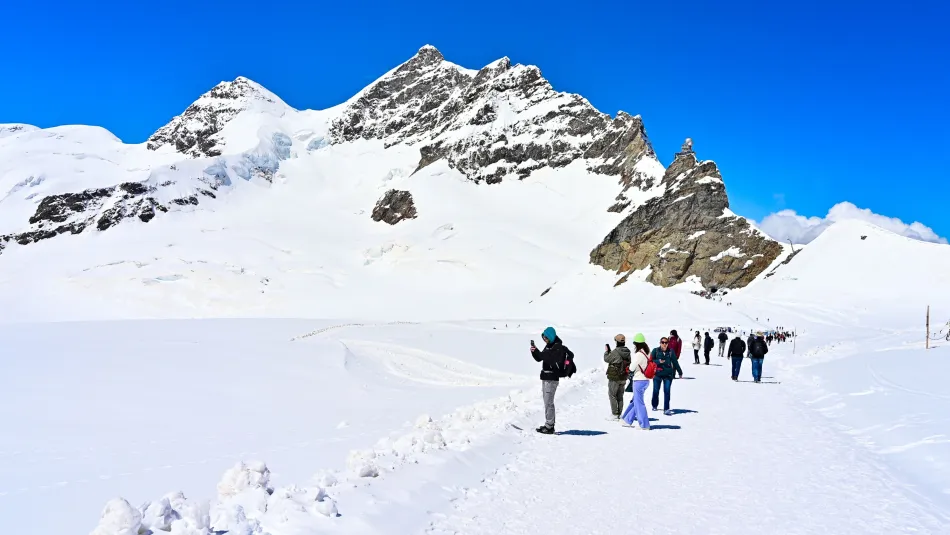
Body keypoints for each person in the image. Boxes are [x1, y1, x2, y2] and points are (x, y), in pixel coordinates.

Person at [530, 326, 570, 434]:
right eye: (543, 337)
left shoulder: (557, 347)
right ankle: (548, 424)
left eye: (546, 338)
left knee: (549, 402)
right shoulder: (549, 345)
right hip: (546, 377)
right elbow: (540, 358)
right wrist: (534, 351)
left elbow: (545, 356)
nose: (545, 340)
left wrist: (537, 352)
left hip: (551, 378)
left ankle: (549, 426)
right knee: (546, 402)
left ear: (551, 337)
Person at [622, 334, 651, 430]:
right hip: (646, 380)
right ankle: (627, 420)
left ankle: (644, 425)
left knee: (639, 403)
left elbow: (631, 368)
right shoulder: (648, 352)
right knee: (636, 401)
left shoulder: (638, 354)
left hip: (638, 380)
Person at [651, 336, 683, 415]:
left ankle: (666, 408)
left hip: (668, 375)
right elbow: (650, 361)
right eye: (663, 342)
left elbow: (675, 362)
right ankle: (654, 405)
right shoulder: (655, 351)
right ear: (660, 343)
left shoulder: (671, 352)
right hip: (657, 374)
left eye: (666, 343)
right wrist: (658, 361)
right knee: (655, 390)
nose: (664, 344)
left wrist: (680, 372)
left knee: (667, 391)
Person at [603, 334, 632, 420]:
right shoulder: (628, 352)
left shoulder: (615, 352)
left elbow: (607, 359)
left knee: (612, 394)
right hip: (624, 377)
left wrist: (607, 352)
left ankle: (615, 414)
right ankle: (619, 413)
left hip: (615, 377)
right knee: (620, 395)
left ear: (616, 342)